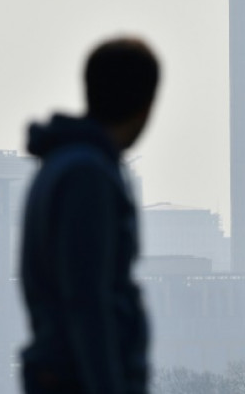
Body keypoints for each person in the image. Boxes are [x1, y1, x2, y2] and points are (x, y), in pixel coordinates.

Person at [19, 37, 160, 394]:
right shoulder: (88, 175)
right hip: (78, 380)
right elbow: (88, 300)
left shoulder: (61, 163)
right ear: (145, 105)